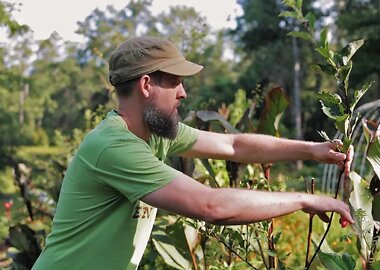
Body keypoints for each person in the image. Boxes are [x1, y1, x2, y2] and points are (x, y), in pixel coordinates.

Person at [32, 36, 354, 270]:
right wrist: (304, 199)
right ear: (146, 85)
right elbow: (210, 205)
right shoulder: (112, 146)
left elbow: (234, 145)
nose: (183, 93)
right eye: (176, 82)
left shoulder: (157, 134)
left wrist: (313, 150)